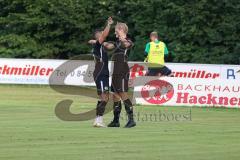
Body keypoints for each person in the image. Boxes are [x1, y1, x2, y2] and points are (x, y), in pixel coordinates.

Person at [107, 22, 136, 128]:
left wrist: (122, 36)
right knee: (115, 95)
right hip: (115, 71)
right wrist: (99, 41)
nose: (115, 31)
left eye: (116, 30)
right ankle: (116, 121)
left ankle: (131, 120)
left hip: (123, 70)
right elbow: (109, 46)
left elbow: (127, 44)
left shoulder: (128, 41)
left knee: (122, 93)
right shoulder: (117, 42)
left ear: (121, 29)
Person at [88, 17, 114, 127]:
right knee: (105, 97)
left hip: (101, 73)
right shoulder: (97, 44)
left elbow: (111, 46)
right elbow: (104, 37)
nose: (103, 34)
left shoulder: (100, 45)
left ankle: (98, 120)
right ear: (97, 35)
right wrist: (109, 24)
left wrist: (105, 43)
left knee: (104, 97)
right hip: (101, 73)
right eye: (101, 34)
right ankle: (98, 120)